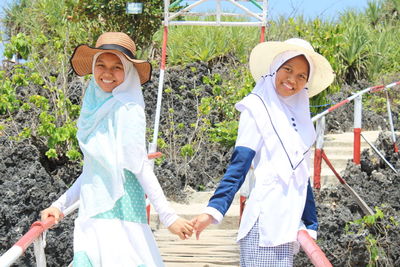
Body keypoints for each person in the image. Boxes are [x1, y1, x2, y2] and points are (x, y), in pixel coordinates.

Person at [40, 32, 193, 267]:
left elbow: (140, 167)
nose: (107, 73)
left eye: (117, 67)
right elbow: (93, 173)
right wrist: (59, 205)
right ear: (92, 68)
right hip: (91, 219)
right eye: (100, 65)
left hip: (122, 221)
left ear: (129, 72)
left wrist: (168, 216)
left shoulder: (128, 109)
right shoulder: (93, 106)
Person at [191, 38, 334, 266]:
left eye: (301, 76)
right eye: (287, 69)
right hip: (265, 226)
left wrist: (311, 223)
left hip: (288, 226)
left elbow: (300, 177)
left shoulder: (301, 120)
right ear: (274, 67)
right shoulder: (256, 108)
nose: (292, 79)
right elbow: (239, 166)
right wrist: (213, 211)